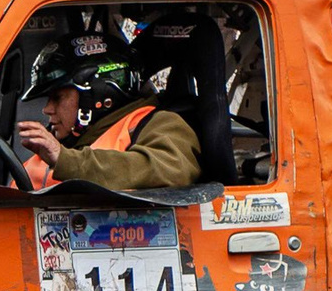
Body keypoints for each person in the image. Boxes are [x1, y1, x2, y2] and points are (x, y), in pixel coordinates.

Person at [14, 33, 201, 191]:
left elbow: (173, 170)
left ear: (99, 95)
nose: (47, 109)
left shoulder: (160, 124)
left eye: (57, 97)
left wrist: (67, 161)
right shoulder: (72, 139)